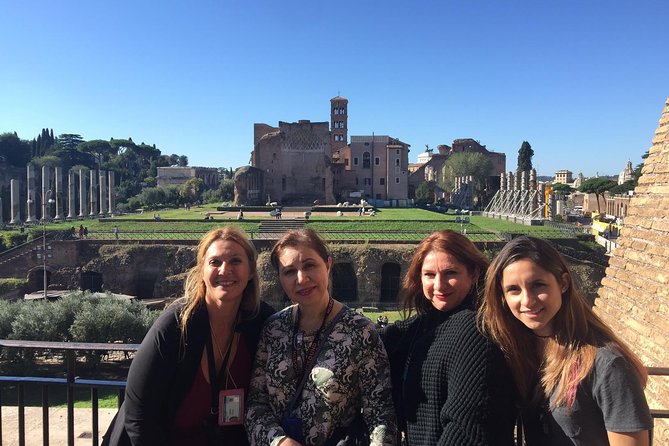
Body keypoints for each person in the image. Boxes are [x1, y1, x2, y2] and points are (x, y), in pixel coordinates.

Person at [103, 227, 275, 446]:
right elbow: (139, 417)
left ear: (251, 270)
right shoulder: (174, 326)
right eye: (214, 262)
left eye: (235, 261)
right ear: (201, 270)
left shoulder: (261, 321)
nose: (225, 270)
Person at [479, 236, 652, 445]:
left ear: (563, 283)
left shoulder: (606, 365)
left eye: (538, 285)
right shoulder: (522, 351)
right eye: (513, 289)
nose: (527, 301)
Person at [246, 229, 397, 445]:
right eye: (289, 271)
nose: (301, 278)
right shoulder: (273, 328)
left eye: (309, 265)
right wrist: (279, 441)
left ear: (327, 265)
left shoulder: (361, 331)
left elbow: (380, 414)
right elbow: (256, 404)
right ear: (279, 278)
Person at [381, 230, 516, 445]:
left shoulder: (474, 329)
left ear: (473, 274)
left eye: (451, 273)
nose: (439, 285)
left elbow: (465, 428)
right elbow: (380, 338)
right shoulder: (425, 324)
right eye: (430, 275)